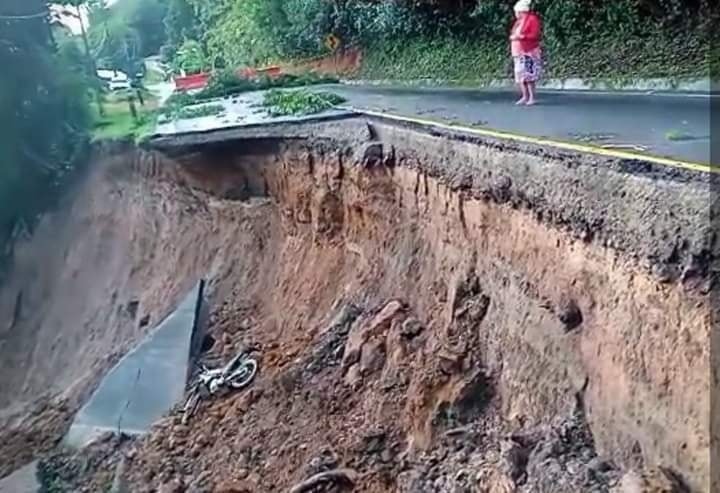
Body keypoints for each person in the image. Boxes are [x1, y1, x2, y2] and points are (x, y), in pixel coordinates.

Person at [510, 0, 542, 105]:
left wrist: (522, 37)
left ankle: (531, 97)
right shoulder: (518, 22)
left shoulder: (532, 19)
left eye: (517, 12)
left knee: (529, 74)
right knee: (520, 75)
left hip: (529, 51)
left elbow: (535, 34)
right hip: (518, 52)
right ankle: (524, 96)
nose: (516, 14)